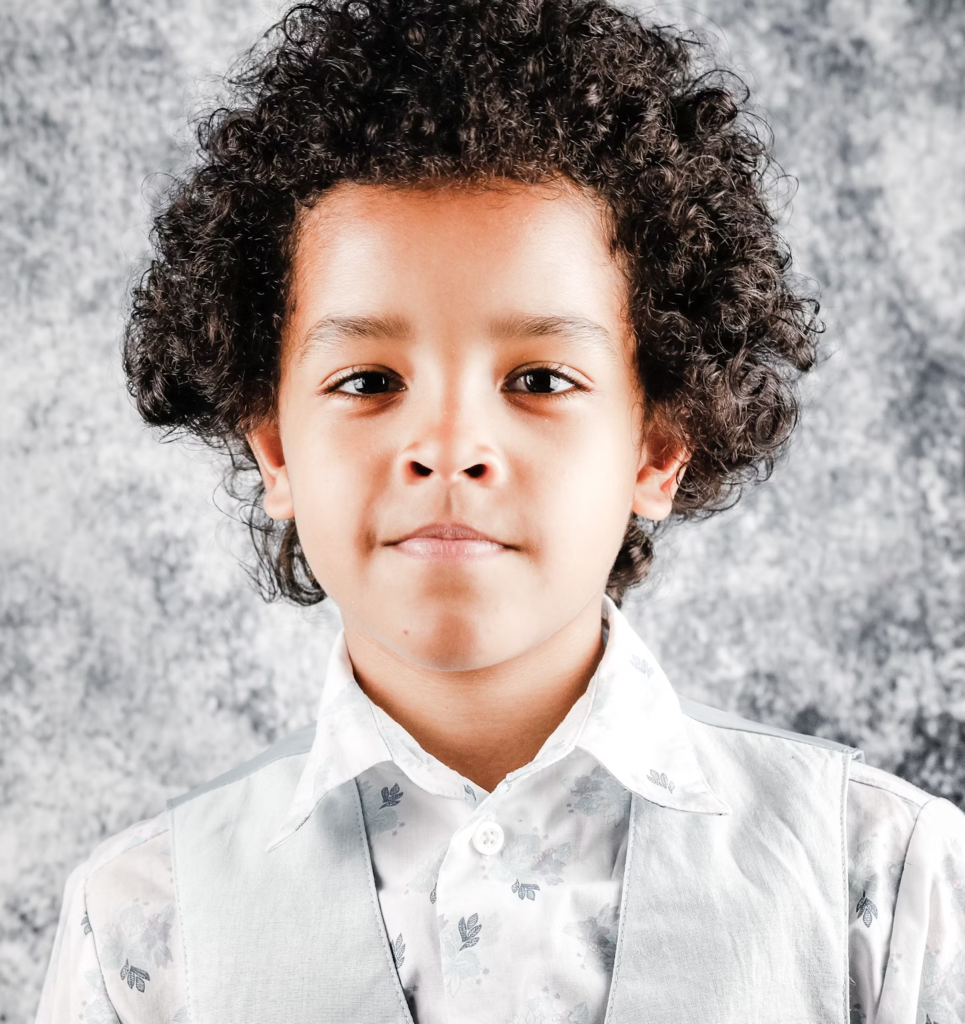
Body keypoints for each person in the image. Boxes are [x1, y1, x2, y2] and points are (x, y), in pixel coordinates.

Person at [35, 0, 965, 1021]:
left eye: (535, 379)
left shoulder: (879, 884)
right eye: (365, 380)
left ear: (657, 445)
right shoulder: (142, 928)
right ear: (273, 446)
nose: (446, 444)